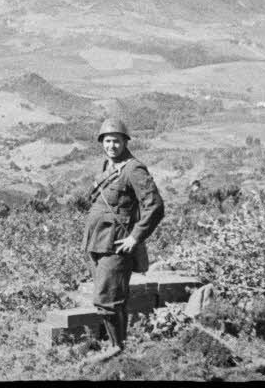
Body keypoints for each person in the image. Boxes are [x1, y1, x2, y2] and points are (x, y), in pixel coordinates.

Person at [83, 118, 164, 355]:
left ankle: (116, 348)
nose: (111, 146)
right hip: (98, 242)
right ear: (102, 143)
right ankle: (118, 345)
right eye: (107, 141)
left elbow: (155, 206)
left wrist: (135, 237)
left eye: (116, 141)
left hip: (117, 245)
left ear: (125, 142)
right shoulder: (108, 167)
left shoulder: (133, 169)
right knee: (113, 297)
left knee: (107, 298)